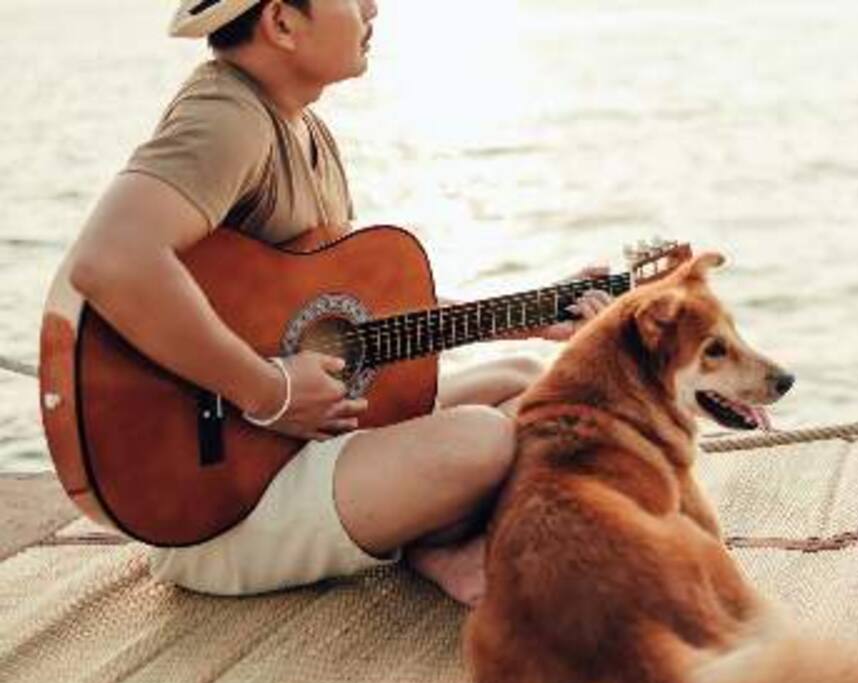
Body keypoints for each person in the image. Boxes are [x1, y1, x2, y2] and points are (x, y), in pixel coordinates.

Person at [62, 0, 612, 606]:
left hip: (285, 456)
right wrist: (271, 392)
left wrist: (522, 321)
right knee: (484, 439)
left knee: (527, 383)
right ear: (281, 23)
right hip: (221, 507)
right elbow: (110, 259)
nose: (374, 7)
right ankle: (443, 537)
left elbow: (334, 309)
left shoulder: (300, 124)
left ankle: (430, 539)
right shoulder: (226, 117)